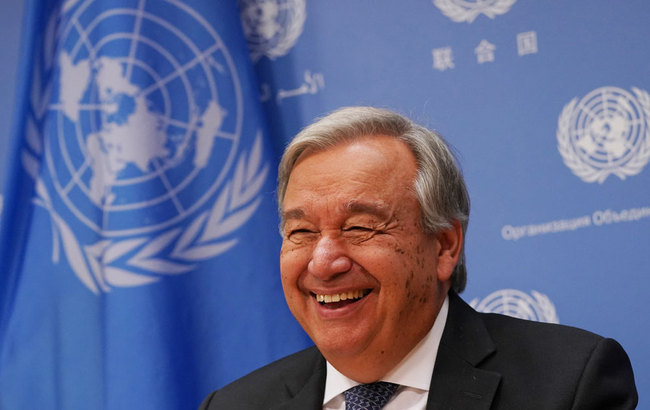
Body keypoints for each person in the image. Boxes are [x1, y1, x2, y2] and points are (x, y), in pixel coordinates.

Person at [200, 107, 637, 409]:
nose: (323, 261)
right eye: (301, 232)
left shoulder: (567, 385)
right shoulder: (235, 404)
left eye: (359, 227)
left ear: (444, 246)